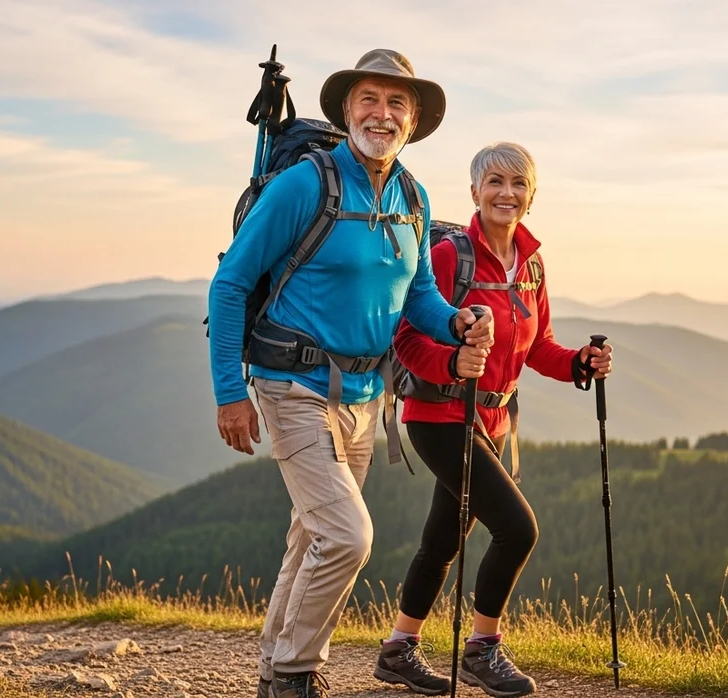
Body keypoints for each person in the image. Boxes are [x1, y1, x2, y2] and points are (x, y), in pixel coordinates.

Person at [207, 49, 496, 698]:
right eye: (370, 99)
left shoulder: (411, 196)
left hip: (366, 398)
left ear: (415, 121)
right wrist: (230, 392)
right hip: (291, 387)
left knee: (310, 537)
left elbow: (418, 296)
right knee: (348, 536)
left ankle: (269, 674)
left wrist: (457, 323)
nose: (382, 114)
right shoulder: (304, 184)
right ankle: (295, 676)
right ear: (345, 109)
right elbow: (230, 285)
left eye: (398, 104)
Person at [374, 142, 612, 697]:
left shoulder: (531, 264)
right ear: (475, 192)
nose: (507, 193)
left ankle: (397, 649)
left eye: (519, 184)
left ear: (532, 196)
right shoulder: (450, 257)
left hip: (495, 422)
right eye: (496, 183)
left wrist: (579, 362)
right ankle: (483, 649)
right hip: (438, 413)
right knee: (517, 528)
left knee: (444, 536)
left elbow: (537, 347)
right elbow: (405, 338)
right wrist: (453, 362)